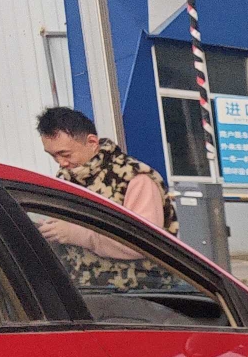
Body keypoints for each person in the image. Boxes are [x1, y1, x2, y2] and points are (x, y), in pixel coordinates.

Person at [33, 106, 176, 268]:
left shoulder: (134, 178)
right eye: (53, 156)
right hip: (83, 282)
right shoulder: (66, 178)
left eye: (65, 154)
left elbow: (146, 242)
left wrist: (80, 235)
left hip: (137, 282)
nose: (61, 163)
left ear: (92, 142)